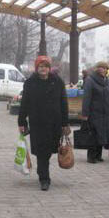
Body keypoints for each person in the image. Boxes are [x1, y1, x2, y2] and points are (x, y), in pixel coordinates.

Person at [18, 56, 70, 190]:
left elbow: (63, 103)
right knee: (42, 151)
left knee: (48, 151)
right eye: (41, 66)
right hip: (37, 122)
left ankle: (42, 171)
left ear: (49, 68)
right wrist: (22, 121)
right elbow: (24, 103)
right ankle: (44, 178)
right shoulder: (30, 83)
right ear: (36, 68)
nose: (43, 69)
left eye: (46, 66)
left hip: (54, 123)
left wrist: (65, 123)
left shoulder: (57, 82)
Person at [81, 61, 109, 163]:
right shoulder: (90, 80)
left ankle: (98, 155)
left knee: (102, 133)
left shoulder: (106, 80)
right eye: (102, 68)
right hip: (94, 112)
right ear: (97, 68)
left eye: (106, 68)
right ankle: (91, 156)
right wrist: (85, 114)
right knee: (93, 134)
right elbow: (87, 98)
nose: (104, 70)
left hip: (105, 112)